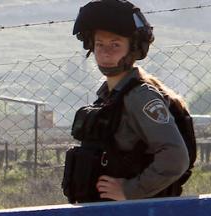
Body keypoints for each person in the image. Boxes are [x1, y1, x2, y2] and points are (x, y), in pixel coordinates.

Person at [62, 0, 193, 203]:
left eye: (115, 45)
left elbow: (176, 157)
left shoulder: (140, 96)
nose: (105, 52)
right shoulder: (109, 96)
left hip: (133, 215)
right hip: (107, 213)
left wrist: (130, 190)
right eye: (99, 44)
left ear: (132, 49)